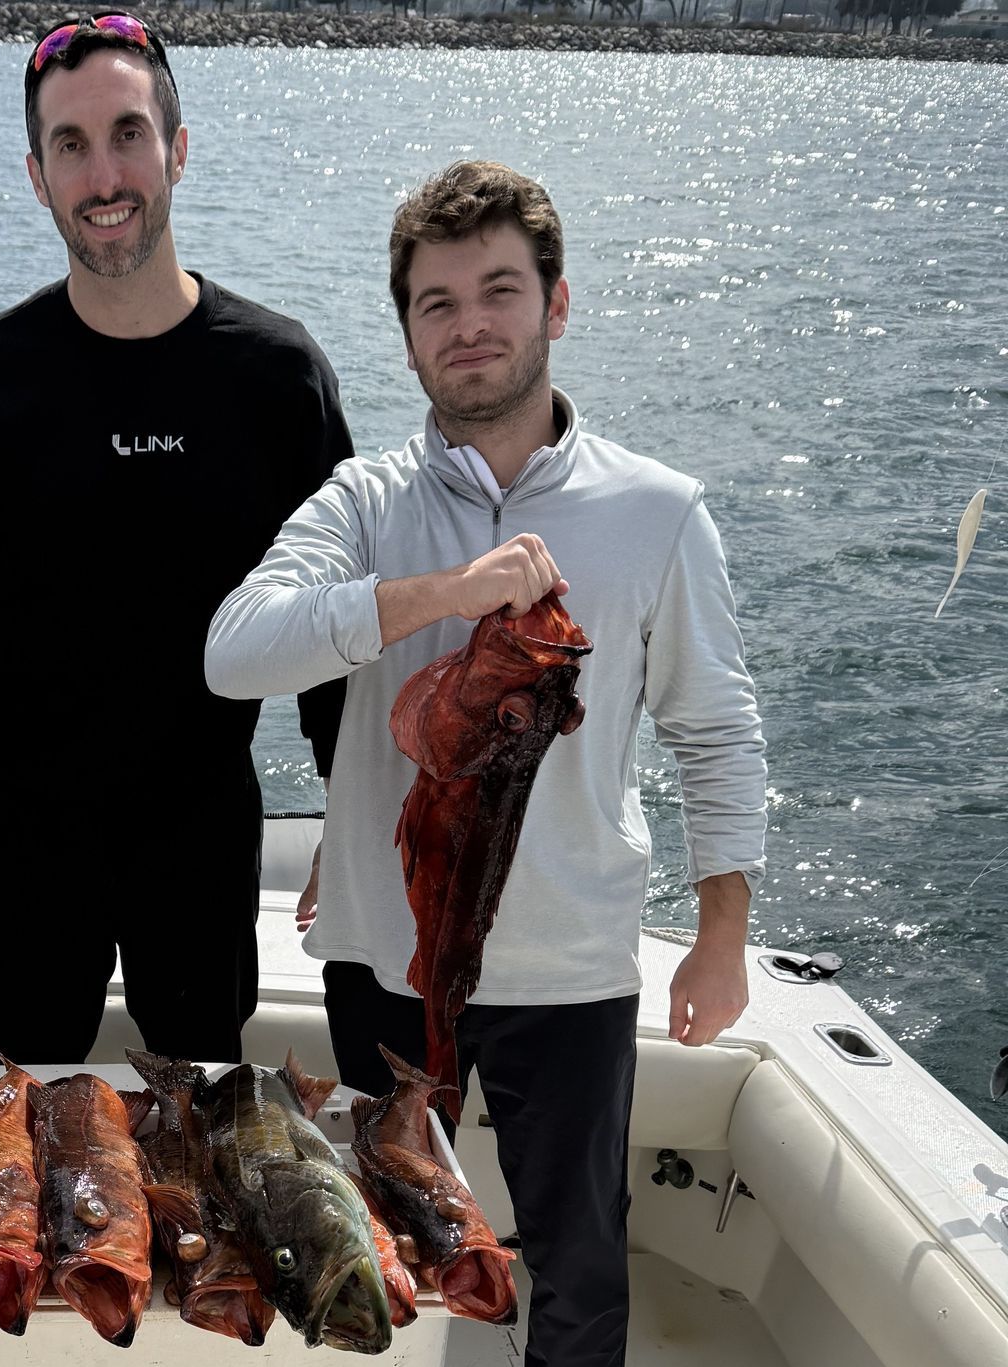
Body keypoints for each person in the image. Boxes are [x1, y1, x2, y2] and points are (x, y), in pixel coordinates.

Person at [204, 161, 767, 1367]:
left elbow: (716, 728)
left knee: (581, 1261)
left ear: (556, 303)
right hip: (386, 961)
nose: (470, 325)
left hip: (572, 971)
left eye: (500, 290)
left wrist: (722, 932)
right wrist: (442, 594)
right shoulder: (363, 500)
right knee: (384, 1254)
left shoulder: (660, 511)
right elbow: (233, 651)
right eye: (438, 303)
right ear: (408, 334)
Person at [0, 10, 352, 1068]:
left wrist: (354, 807)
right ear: (38, 177)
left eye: (127, 134)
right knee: (27, 1091)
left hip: (202, 816)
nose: (103, 175)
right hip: (27, 830)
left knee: (201, 1089)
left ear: (178, 150)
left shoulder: (276, 377)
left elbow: (333, 625)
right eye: (71, 145)